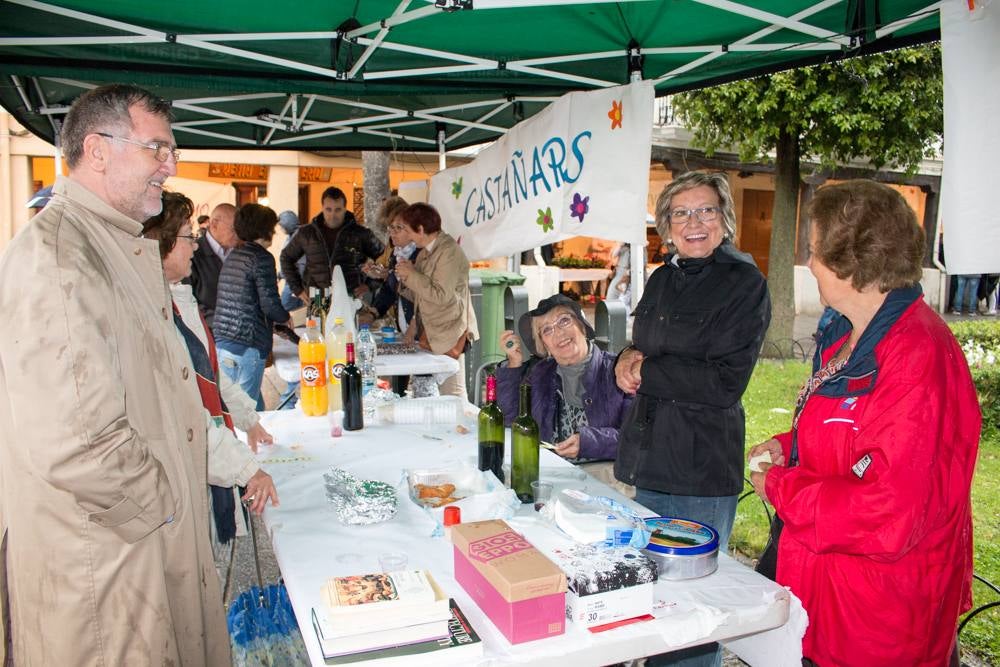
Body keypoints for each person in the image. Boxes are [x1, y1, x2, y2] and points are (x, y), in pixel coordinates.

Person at [0, 84, 229, 665]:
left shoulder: (113, 247)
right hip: (110, 573)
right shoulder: (61, 257)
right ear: (97, 151)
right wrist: (165, 504)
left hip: (134, 555)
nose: (171, 165)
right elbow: (76, 442)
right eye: (157, 149)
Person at [748, 180, 980, 667]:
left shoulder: (918, 355)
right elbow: (855, 435)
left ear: (854, 263)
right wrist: (789, 447)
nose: (809, 264)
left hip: (876, 622)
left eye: (814, 252)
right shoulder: (851, 334)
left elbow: (887, 509)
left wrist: (781, 486)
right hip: (830, 597)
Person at [615, 171, 770, 667]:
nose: (694, 222)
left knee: (693, 616)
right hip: (650, 455)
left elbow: (724, 382)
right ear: (666, 226)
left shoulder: (743, 284)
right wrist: (625, 358)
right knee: (654, 599)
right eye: (681, 213)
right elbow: (645, 344)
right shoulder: (663, 277)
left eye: (705, 210)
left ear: (724, 218)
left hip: (699, 467)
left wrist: (646, 369)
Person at [142, 192, 279, 546]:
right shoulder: (154, 312)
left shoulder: (180, 297)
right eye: (188, 237)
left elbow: (213, 374)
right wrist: (248, 470)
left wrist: (248, 418)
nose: (194, 246)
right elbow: (189, 412)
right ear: (163, 244)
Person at [496, 295, 633, 495]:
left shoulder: (618, 371)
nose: (558, 332)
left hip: (605, 483)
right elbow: (510, 421)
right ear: (544, 344)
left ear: (582, 327)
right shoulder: (540, 372)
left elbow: (638, 440)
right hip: (550, 478)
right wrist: (514, 363)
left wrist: (588, 442)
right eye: (547, 330)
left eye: (564, 321)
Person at [395, 202, 479, 398]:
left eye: (408, 230)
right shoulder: (426, 252)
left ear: (421, 229)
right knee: (438, 394)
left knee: (453, 393)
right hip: (433, 331)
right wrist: (405, 277)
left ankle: (462, 428)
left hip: (450, 331)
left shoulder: (449, 252)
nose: (407, 236)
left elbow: (441, 296)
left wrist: (412, 275)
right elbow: (422, 293)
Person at [213, 203, 291, 410]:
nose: (274, 234)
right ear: (264, 230)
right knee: (244, 412)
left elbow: (246, 300)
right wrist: (285, 319)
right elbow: (269, 303)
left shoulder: (233, 255)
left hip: (224, 341)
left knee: (244, 406)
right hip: (247, 343)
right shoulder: (262, 258)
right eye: (272, 229)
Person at [280, 186, 384, 303]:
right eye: (328, 209)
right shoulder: (307, 233)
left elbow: (386, 257)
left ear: (345, 209)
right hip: (317, 299)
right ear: (322, 208)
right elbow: (286, 257)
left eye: (338, 210)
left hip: (350, 298)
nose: (333, 215)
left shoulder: (360, 233)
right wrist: (297, 289)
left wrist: (370, 285)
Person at [363, 196, 419, 332]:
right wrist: (373, 313)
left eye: (398, 228)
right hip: (403, 328)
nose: (392, 233)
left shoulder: (421, 254)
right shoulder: (396, 254)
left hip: (422, 330)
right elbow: (390, 290)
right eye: (391, 227)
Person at [188, 202, 238, 327]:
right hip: (208, 333)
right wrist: (224, 322)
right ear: (214, 224)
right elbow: (188, 301)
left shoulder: (240, 254)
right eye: (234, 229)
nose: (238, 234)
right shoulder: (193, 253)